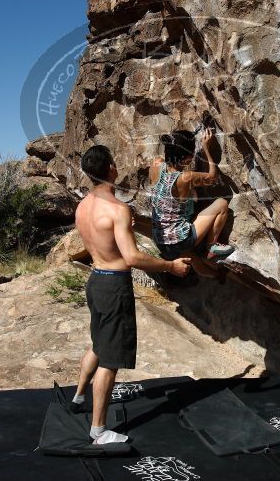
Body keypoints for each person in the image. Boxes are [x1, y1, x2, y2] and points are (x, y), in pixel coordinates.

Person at [71, 145, 191, 445]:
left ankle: (78, 396)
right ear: (111, 168)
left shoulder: (83, 206)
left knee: (99, 342)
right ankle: (98, 430)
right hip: (113, 285)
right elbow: (133, 257)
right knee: (109, 359)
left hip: (95, 280)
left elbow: (101, 242)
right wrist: (170, 266)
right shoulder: (117, 209)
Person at [149, 127, 234, 277]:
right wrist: (207, 148)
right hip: (180, 239)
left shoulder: (156, 164)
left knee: (192, 258)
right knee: (221, 204)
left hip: (161, 240)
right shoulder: (185, 178)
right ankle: (211, 247)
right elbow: (212, 177)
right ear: (187, 157)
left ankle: (216, 276)